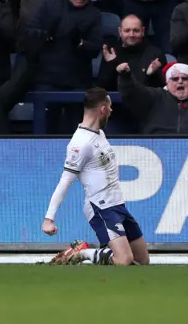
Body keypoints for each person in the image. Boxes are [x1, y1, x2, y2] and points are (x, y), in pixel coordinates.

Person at [41, 87, 150, 266]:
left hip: (118, 205)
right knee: (124, 260)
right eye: (110, 107)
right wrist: (49, 218)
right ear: (103, 110)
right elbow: (65, 181)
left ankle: (101, 253)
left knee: (142, 261)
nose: (112, 110)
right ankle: (83, 253)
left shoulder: (99, 133)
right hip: (101, 207)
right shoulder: (80, 143)